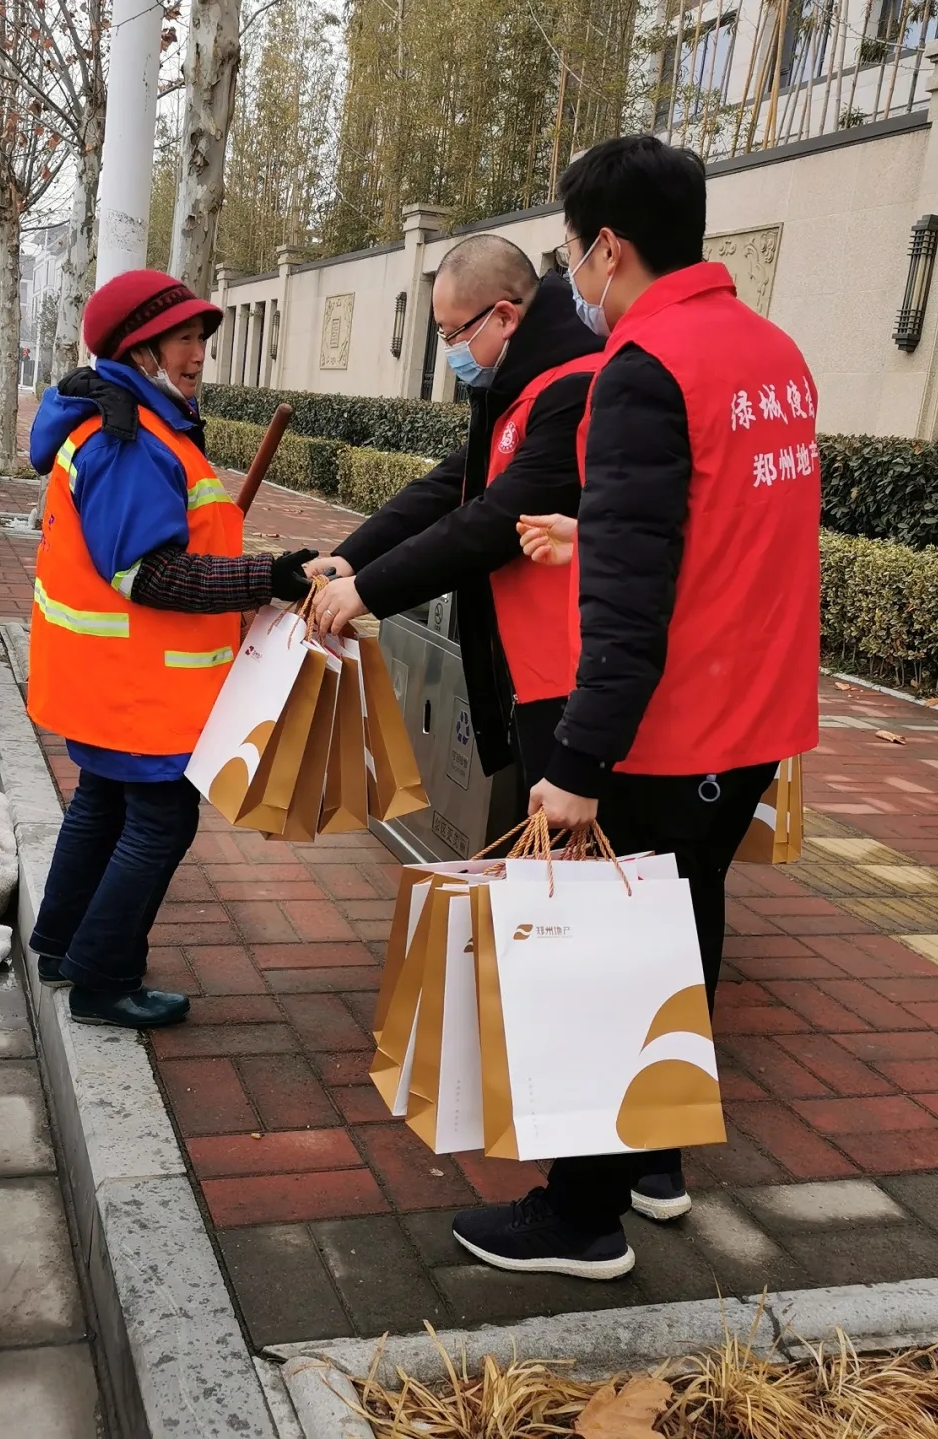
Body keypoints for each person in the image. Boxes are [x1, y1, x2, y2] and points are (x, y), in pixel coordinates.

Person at [451, 135, 821, 1280]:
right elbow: (720, 524)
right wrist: (592, 526)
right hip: (756, 720)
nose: (571, 275)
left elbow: (627, 605)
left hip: (671, 726)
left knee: (613, 956)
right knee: (686, 919)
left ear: (608, 247)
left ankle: (580, 1216)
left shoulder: (643, 366)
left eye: (571, 252)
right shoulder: (773, 352)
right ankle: (655, 1158)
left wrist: (579, 761)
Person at [26, 269, 314, 1030]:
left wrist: (247, 578)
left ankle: (62, 946)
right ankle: (102, 978)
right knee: (159, 823)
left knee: (101, 805)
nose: (197, 354)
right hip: (139, 688)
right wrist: (267, 576)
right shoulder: (127, 441)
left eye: (199, 337)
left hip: (108, 681)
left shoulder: (136, 424)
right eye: (181, 338)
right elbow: (148, 574)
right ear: (138, 351)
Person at [307, 233, 604, 788]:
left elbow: (493, 520)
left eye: (452, 333)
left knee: (562, 832)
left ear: (504, 317)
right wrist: (352, 558)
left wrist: (368, 589)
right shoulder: (522, 384)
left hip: (571, 670)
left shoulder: (575, 388)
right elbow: (453, 484)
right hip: (531, 663)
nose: (449, 351)